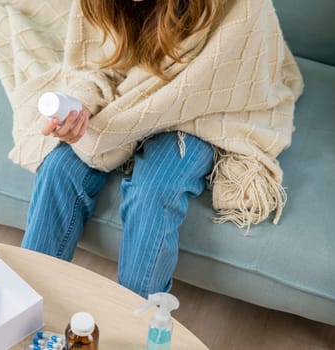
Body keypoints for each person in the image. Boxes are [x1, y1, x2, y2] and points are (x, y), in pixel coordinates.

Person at [21, 0, 221, 298]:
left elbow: (230, 70)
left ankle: (136, 323)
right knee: (58, 168)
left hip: (196, 107)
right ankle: (27, 302)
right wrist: (82, 106)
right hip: (127, 99)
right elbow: (92, 65)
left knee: (154, 189)